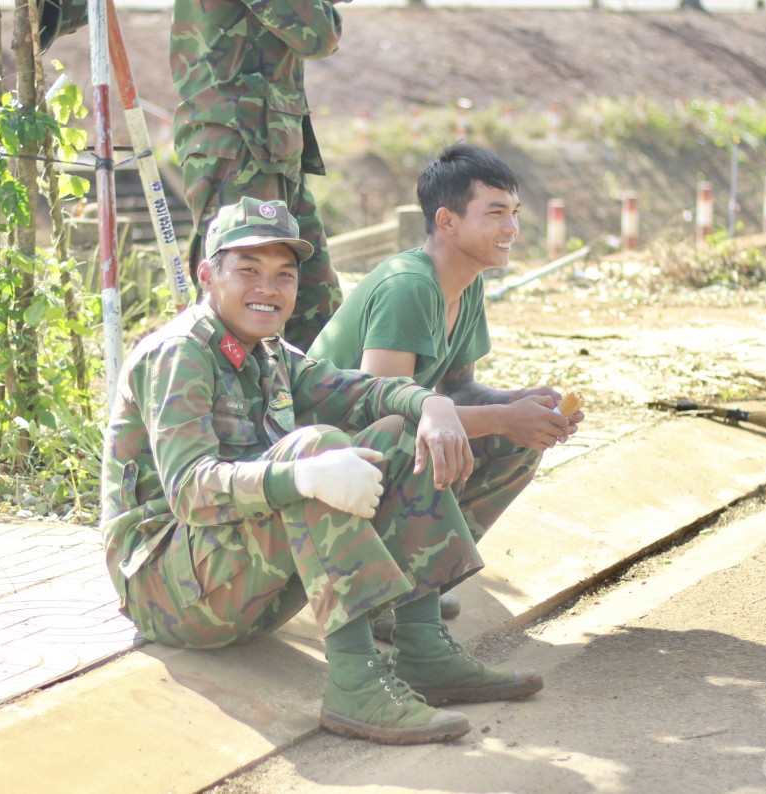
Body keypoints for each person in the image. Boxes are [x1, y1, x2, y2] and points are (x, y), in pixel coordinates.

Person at [100, 197, 543, 745]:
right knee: (316, 450)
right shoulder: (180, 354)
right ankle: (356, 686)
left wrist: (429, 405)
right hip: (170, 591)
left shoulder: (268, 352)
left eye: (283, 275)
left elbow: (358, 391)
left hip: (231, 574)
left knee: (396, 435)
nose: (269, 288)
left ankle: (423, 647)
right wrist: (303, 476)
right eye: (249, 271)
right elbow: (190, 490)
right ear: (207, 275)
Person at [308, 143, 587, 630]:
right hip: (324, 464)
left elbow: (458, 392)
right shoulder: (408, 286)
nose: (512, 229)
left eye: (515, 213)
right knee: (418, 437)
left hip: (374, 449)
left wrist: (522, 404)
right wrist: (504, 417)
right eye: (496, 213)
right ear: (447, 220)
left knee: (518, 441)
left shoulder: (466, 282)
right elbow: (381, 415)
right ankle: (369, 592)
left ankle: (416, 582)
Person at [169, 0, 344, 350]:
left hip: (270, 144)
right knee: (242, 306)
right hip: (239, 146)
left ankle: (311, 401)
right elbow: (316, 34)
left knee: (315, 307)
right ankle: (226, 402)